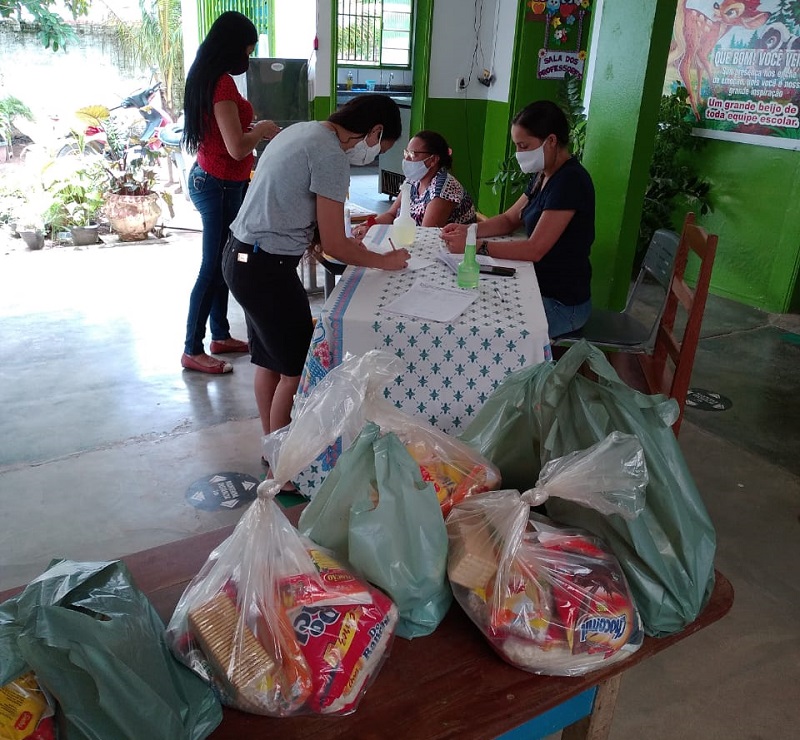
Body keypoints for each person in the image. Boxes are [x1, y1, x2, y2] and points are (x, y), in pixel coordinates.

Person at [222, 94, 409, 459]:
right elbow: (337, 246)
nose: (373, 155)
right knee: (296, 369)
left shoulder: (302, 131)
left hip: (241, 258)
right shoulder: (330, 156)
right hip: (266, 269)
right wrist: (384, 261)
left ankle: (270, 446)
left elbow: (306, 215)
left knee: (269, 362)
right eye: (380, 147)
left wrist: (338, 242)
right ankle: (283, 463)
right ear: (374, 131)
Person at [440, 100, 595, 339]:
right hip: (537, 286)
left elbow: (535, 249)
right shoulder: (543, 175)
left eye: (524, 146)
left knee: (483, 329)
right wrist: (468, 229)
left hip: (563, 305)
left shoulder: (570, 182)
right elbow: (509, 219)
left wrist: (476, 246)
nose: (519, 154)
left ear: (551, 141)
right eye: (517, 146)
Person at [180, 11, 281, 374]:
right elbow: (238, 148)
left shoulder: (208, 77)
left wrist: (248, 131)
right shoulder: (220, 83)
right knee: (212, 268)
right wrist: (262, 130)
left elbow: (228, 137)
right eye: (247, 51)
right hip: (218, 184)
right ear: (233, 47)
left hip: (223, 180)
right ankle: (192, 348)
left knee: (224, 262)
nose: (248, 59)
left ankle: (220, 334)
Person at [352, 129, 475, 237]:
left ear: (433, 160)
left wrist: (379, 234)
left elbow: (425, 234)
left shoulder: (444, 190)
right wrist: (369, 225)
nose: (406, 159)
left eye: (412, 155)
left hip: (448, 251)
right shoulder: (413, 180)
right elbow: (391, 215)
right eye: (406, 153)